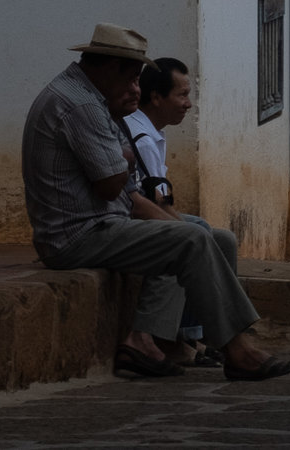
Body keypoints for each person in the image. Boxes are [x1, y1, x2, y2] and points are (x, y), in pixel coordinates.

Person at [22, 23, 290, 382]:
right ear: (109, 68)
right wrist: (123, 158)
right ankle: (237, 350)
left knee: (192, 235)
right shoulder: (80, 105)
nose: (136, 88)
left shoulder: (85, 97)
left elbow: (121, 185)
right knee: (189, 239)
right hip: (77, 234)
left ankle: (153, 341)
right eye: (133, 78)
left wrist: (118, 156)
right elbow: (111, 185)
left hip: (96, 224)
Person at [125, 57, 220, 366]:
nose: (188, 104)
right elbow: (159, 203)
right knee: (196, 233)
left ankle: (208, 334)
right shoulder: (142, 138)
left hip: (144, 211)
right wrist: (183, 227)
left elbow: (161, 193)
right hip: (132, 218)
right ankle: (184, 335)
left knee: (219, 237)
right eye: (182, 95)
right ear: (156, 97)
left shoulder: (153, 132)